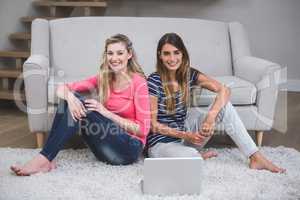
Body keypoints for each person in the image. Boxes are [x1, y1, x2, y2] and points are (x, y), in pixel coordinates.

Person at [11, 34, 151, 176]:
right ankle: (47, 158)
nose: (114, 58)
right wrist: (71, 99)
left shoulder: (139, 83)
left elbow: (143, 130)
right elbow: (62, 88)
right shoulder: (104, 78)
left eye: (120, 53)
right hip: (105, 149)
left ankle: (44, 159)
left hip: (128, 149)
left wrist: (106, 112)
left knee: (82, 104)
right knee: (69, 99)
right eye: (110, 53)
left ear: (129, 54)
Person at [146, 32, 285, 173]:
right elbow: (153, 125)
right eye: (167, 54)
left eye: (176, 53)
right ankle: (194, 156)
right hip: (161, 145)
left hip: (187, 138)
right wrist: (186, 135)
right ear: (160, 56)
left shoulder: (189, 74)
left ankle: (255, 157)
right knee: (190, 158)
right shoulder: (153, 80)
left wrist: (210, 119)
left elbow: (224, 90)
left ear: (183, 54)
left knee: (225, 106)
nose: (172, 58)